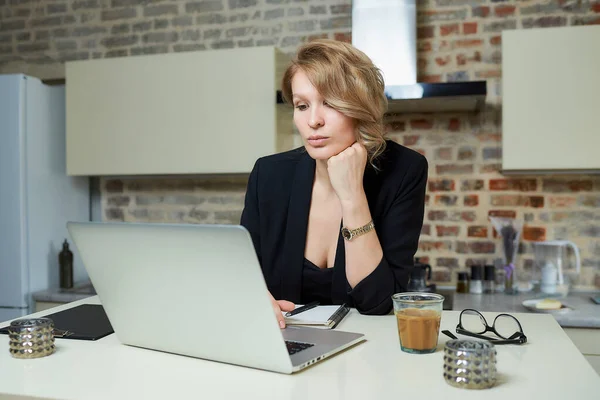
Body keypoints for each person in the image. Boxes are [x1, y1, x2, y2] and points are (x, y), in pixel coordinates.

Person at [240, 39, 428, 328]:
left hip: (368, 356)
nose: (313, 121)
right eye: (302, 105)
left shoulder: (404, 171)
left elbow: (378, 302)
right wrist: (253, 296)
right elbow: (242, 276)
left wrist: (352, 195)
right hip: (282, 346)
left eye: (329, 103)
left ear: (360, 107)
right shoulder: (269, 174)